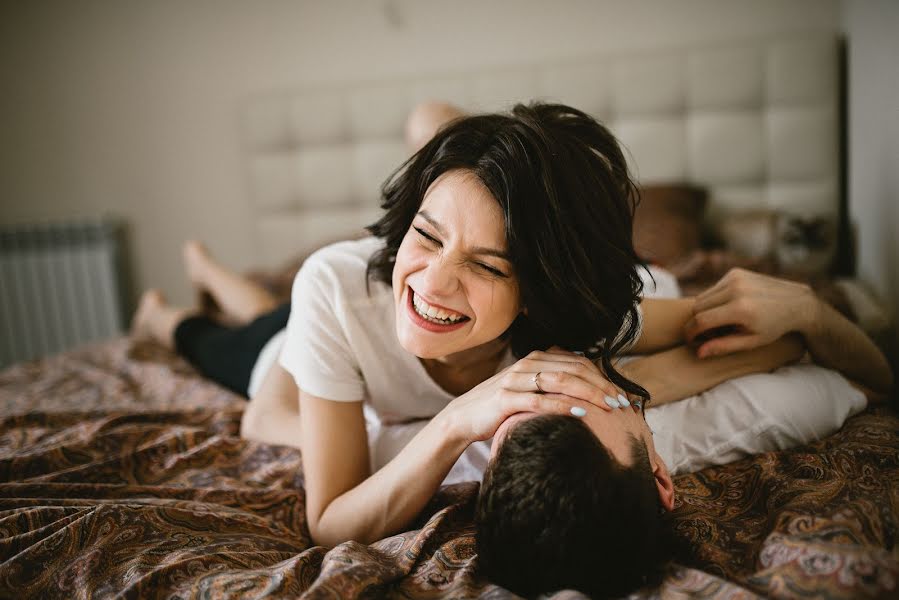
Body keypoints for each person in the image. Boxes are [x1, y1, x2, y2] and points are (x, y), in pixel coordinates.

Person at [131, 102, 892, 598]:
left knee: (254, 335)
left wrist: (809, 314)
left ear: (535, 294)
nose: (435, 281)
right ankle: (174, 305)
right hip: (309, 357)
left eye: (488, 266)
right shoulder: (336, 286)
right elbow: (326, 517)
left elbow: (782, 348)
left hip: (349, 357)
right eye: (426, 238)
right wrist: (458, 413)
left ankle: (204, 290)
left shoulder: (579, 328)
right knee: (244, 363)